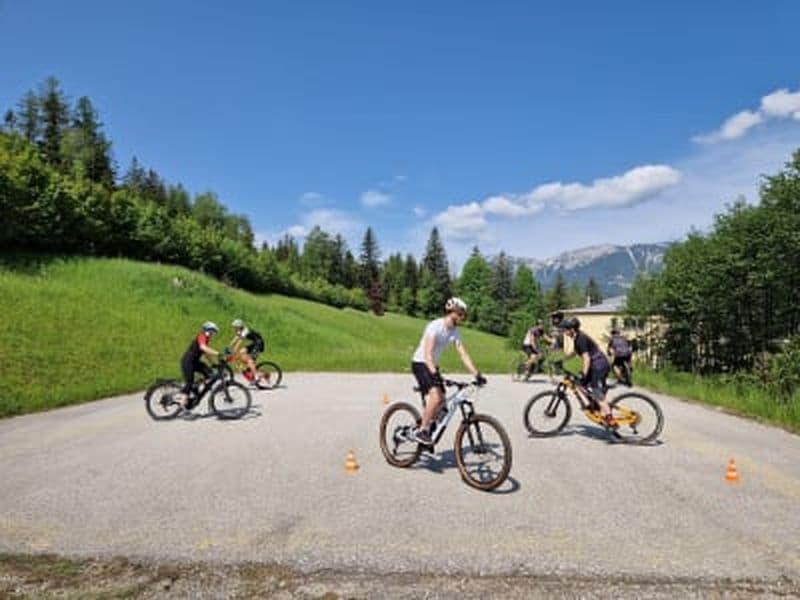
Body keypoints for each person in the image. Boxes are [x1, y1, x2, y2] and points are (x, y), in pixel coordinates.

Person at [411, 297, 487, 445]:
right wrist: (434, 374)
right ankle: (422, 430)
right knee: (435, 397)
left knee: (442, 403)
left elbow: (463, 354)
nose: (462, 317)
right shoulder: (435, 326)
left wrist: (476, 374)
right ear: (451, 312)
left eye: (463, 314)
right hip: (421, 363)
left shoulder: (454, 331)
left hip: (432, 365)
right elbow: (427, 353)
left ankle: (428, 424)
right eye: (460, 314)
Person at [560, 317, 617, 429]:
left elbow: (586, 358)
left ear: (572, 329)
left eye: (565, 329)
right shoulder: (577, 337)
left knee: (596, 392)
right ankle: (595, 405)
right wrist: (562, 360)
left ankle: (610, 419)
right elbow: (575, 352)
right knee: (579, 384)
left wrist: (583, 373)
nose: (564, 332)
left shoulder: (580, 339)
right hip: (594, 365)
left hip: (599, 366)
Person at [176, 321, 221, 408]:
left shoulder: (206, 339)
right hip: (188, 362)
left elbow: (206, 353)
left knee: (210, 373)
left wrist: (213, 363)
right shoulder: (202, 336)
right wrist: (217, 353)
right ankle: (182, 402)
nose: (213, 334)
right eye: (213, 332)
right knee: (189, 382)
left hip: (195, 362)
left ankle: (195, 387)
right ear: (208, 330)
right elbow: (203, 348)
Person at [230, 319, 268, 386]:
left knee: (250, 361)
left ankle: (256, 377)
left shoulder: (245, 331)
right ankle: (249, 367)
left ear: (239, 326)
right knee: (242, 351)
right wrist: (228, 347)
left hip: (259, 344)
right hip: (255, 343)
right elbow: (235, 340)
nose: (234, 329)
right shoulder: (239, 331)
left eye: (235, 327)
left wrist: (234, 351)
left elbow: (239, 342)